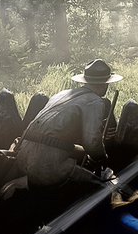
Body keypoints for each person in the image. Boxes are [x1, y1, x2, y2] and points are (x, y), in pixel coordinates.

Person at [14, 59, 121, 192]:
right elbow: (92, 142)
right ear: (104, 85)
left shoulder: (61, 94)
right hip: (47, 166)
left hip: (23, 157)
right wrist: (102, 158)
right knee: (103, 190)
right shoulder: (95, 102)